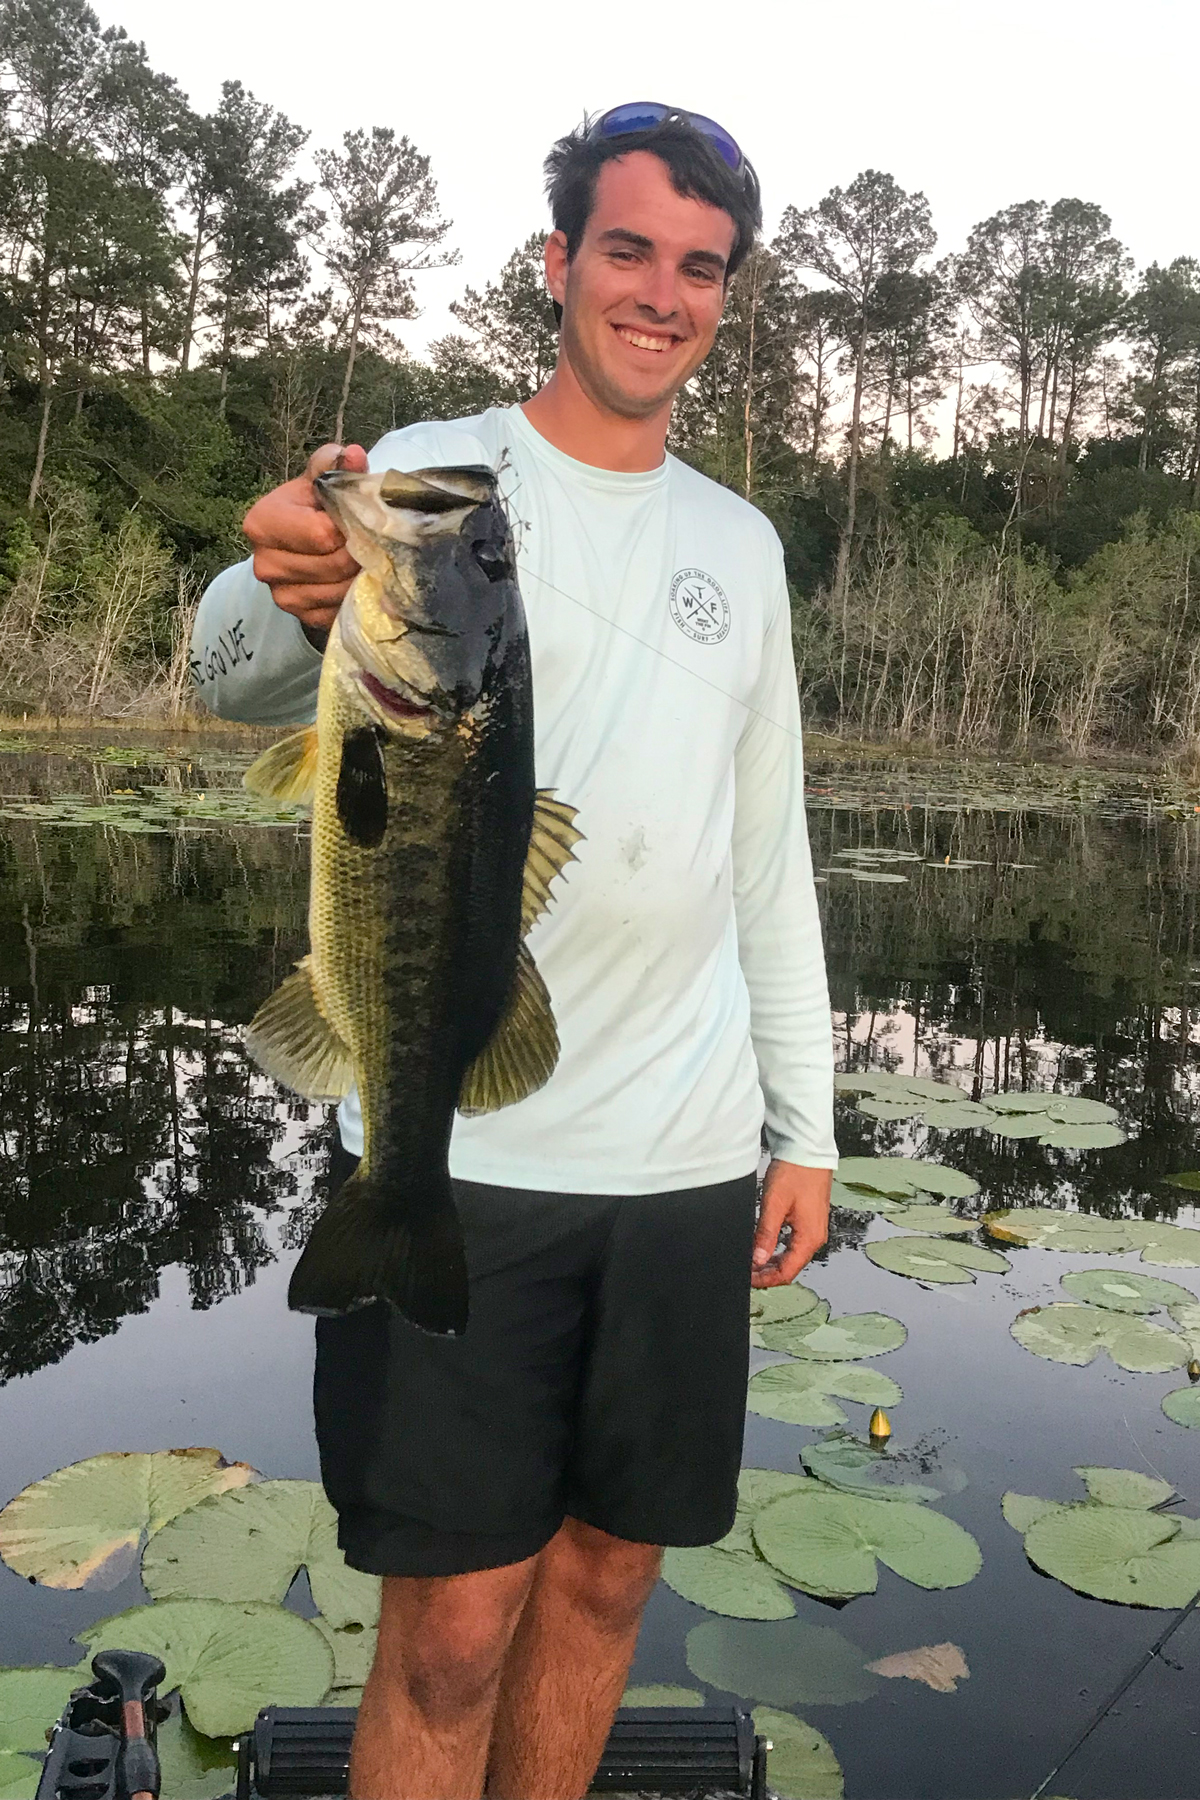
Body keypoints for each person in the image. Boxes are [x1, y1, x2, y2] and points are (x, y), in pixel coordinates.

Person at [191, 103, 837, 1800]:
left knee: (611, 1579)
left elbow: (769, 859)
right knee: (453, 1631)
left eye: (700, 268)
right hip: (464, 1149)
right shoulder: (440, 477)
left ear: (724, 299)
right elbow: (235, 668)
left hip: (688, 1156)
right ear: (558, 266)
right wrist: (280, 575)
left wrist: (808, 1128)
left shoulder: (743, 550)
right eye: (627, 251)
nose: (661, 294)